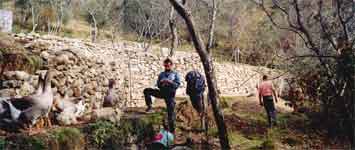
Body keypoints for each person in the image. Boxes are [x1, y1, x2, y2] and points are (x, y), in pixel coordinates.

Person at [143, 58, 180, 133]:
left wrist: (169, 82)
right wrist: (161, 83)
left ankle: (172, 131)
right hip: (162, 92)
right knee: (146, 91)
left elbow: (177, 85)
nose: (167, 67)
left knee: (170, 113)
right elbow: (158, 85)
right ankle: (149, 106)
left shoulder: (175, 74)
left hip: (170, 94)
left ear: (171, 65)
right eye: (165, 65)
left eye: (168, 65)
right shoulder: (161, 74)